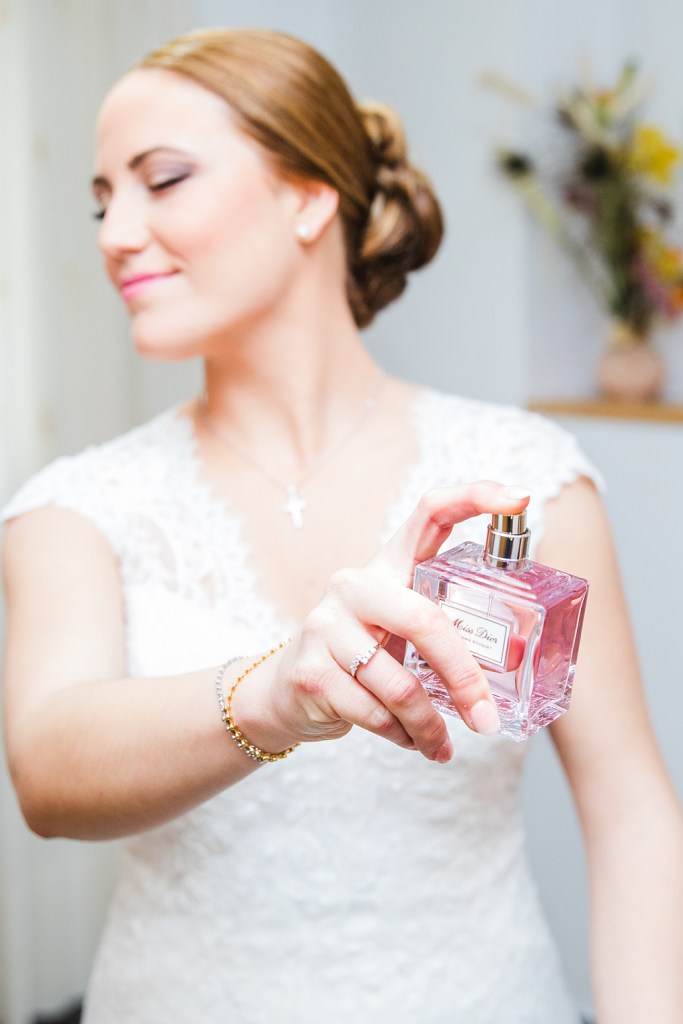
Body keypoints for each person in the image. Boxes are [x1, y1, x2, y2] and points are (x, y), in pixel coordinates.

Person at [2, 26, 682, 1024]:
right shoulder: (73, 505)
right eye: (104, 201)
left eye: (163, 179)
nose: (114, 234)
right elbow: (47, 772)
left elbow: (629, 812)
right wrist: (269, 695)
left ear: (309, 196)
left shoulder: (526, 482)